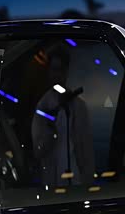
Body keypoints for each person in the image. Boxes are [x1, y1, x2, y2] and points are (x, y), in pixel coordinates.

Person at [31, 47, 95, 186]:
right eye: (54, 70)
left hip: (76, 183)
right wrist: (50, 130)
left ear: (66, 71)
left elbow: (86, 151)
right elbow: (38, 151)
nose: (57, 75)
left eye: (61, 70)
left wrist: (88, 183)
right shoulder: (43, 107)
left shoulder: (79, 106)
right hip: (52, 183)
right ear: (48, 72)